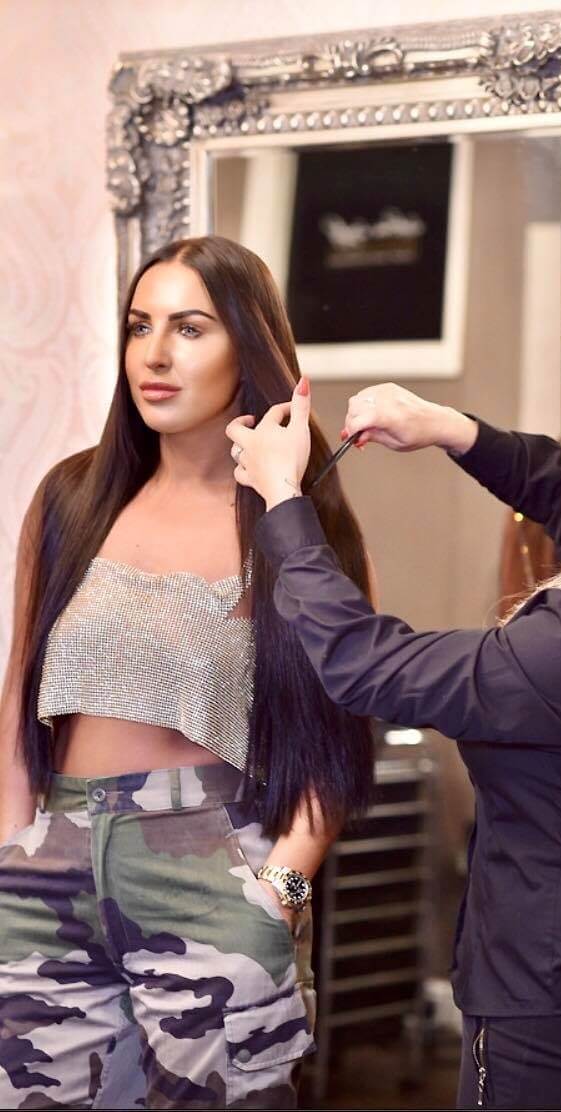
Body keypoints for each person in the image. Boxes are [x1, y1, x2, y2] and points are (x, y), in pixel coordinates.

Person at [227, 320, 561, 1110]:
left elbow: (367, 664)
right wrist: (448, 429)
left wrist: (280, 500)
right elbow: (555, 483)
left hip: (557, 1025)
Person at [0, 235, 374, 1110]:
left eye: (191, 328)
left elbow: (334, 729)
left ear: (249, 348)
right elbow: (20, 687)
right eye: (140, 327)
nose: (155, 355)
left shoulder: (296, 522)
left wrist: (278, 889)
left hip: (214, 859)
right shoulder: (70, 497)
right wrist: (14, 848)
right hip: (49, 858)